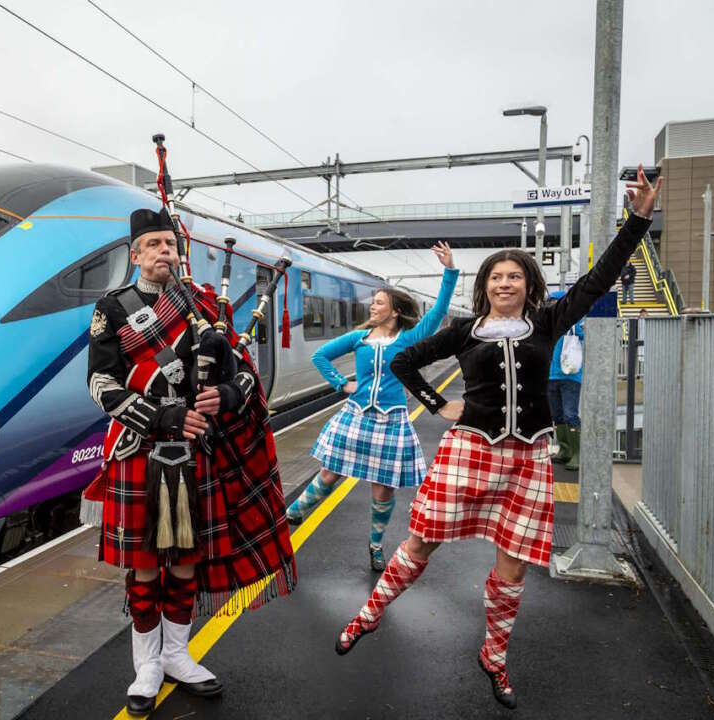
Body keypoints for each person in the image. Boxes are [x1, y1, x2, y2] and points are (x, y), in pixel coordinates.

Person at [334, 166, 662, 710]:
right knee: (421, 542)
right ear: (484, 285)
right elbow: (405, 361)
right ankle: (369, 615)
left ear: (528, 285)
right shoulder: (465, 331)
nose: (504, 284)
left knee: (512, 565)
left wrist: (639, 219)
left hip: (528, 458)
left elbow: (599, 278)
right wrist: (440, 404)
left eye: (514, 277)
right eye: (495, 277)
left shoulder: (551, 320)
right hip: (468, 452)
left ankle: (494, 656)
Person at [82, 208, 296, 716]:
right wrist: (166, 416)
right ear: (135, 255)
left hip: (199, 454)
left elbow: (244, 374)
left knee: (183, 562)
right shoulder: (112, 309)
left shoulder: (202, 305)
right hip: (142, 449)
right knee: (143, 565)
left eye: (170, 244)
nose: (164, 252)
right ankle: (146, 666)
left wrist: (225, 393)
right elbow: (101, 385)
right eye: (153, 244)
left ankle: (177, 653)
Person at [285, 242, 458, 572]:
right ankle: (294, 511)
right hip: (356, 415)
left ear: (394, 311)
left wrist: (449, 271)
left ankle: (376, 545)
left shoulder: (409, 337)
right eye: (373, 302)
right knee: (329, 471)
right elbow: (319, 356)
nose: (372, 307)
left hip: (391, 420)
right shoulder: (358, 338)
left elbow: (438, 312)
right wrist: (341, 384)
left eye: (379, 303)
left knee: (383, 490)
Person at [547, 290, 583, 470]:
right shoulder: (548, 324)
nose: (553, 306)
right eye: (551, 302)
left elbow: (585, 334)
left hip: (570, 376)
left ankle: (577, 453)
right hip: (550, 376)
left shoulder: (576, 321)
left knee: (570, 414)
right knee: (556, 415)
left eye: (556, 302)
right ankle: (565, 450)